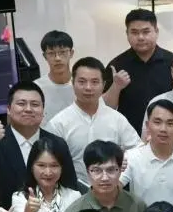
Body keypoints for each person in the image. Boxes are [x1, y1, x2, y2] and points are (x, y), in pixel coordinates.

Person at [0, 81, 77, 208]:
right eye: (21, 104)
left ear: (43, 110)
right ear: (8, 109)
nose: (28, 109)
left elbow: (70, 186)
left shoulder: (57, 143)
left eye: (35, 104)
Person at [47, 57, 142, 189]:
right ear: (73, 83)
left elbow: (138, 150)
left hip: (112, 190)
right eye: (82, 82)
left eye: (95, 82)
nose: (88, 87)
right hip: (73, 192)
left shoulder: (117, 119)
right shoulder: (58, 123)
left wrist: (121, 179)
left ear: (103, 85)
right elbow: (49, 162)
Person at [104, 8, 173, 134]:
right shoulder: (117, 65)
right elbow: (106, 108)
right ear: (127, 34)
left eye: (146, 32)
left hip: (166, 133)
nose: (140, 37)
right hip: (128, 135)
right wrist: (116, 86)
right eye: (134, 32)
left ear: (156, 32)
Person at [34, 30, 76, 126]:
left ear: (71, 53)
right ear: (45, 56)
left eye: (62, 52)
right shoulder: (36, 88)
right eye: (51, 53)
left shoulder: (82, 85)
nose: (57, 58)